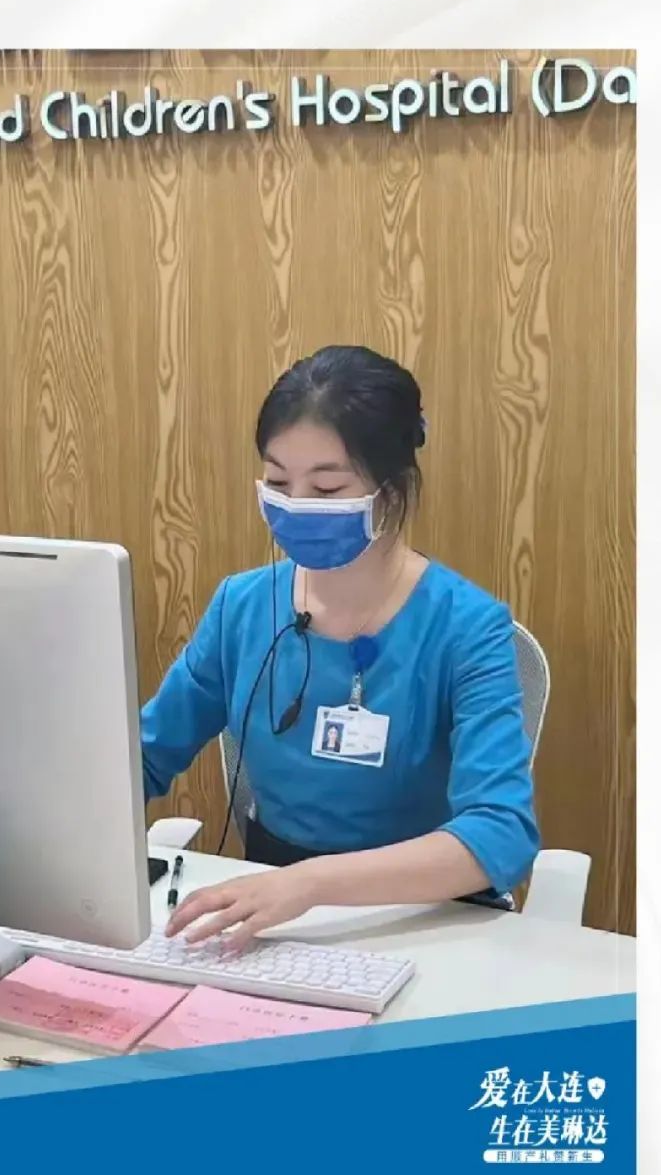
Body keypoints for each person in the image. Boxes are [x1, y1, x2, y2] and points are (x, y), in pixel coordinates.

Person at [140, 344, 539, 952]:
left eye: (326, 488)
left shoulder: (467, 627)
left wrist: (313, 883)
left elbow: (500, 835)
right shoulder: (242, 606)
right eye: (278, 483)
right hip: (272, 916)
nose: (297, 505)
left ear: (391, 490)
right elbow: (145, 755)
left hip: (421, 919)